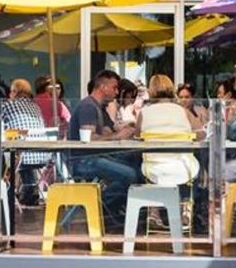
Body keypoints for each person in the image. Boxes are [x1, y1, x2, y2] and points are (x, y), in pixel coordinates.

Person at [68, 70, 139, 228]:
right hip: (83, 161)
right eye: (114, 87)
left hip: (94, 157)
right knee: (130, 174)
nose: (117, 92)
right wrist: (118, 136)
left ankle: (118, 209)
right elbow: (89, 139)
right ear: (103, 87)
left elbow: (108, 131)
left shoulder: (98, 107)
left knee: (136, 161)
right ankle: (102, 209)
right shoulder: (88, 106)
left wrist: (123, 130)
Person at [136, 74, 202, 229]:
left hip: (153, 169)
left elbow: (137, 136)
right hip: (182, 168)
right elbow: (201, 134)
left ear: (151, 90)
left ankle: (154, 211)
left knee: (139, 165)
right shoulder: (183, 111)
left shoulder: (144, 113)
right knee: (196, 169)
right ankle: (185, 210)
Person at [2, 78, 48, 206]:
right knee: (19, 147)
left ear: (15, 92)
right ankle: (30, 191)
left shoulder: (7, 105)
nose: (9, 94)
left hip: (20, 157)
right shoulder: (35, 107)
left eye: (11, 91)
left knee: (5, 152)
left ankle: (6, 193)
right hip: (41, 155)